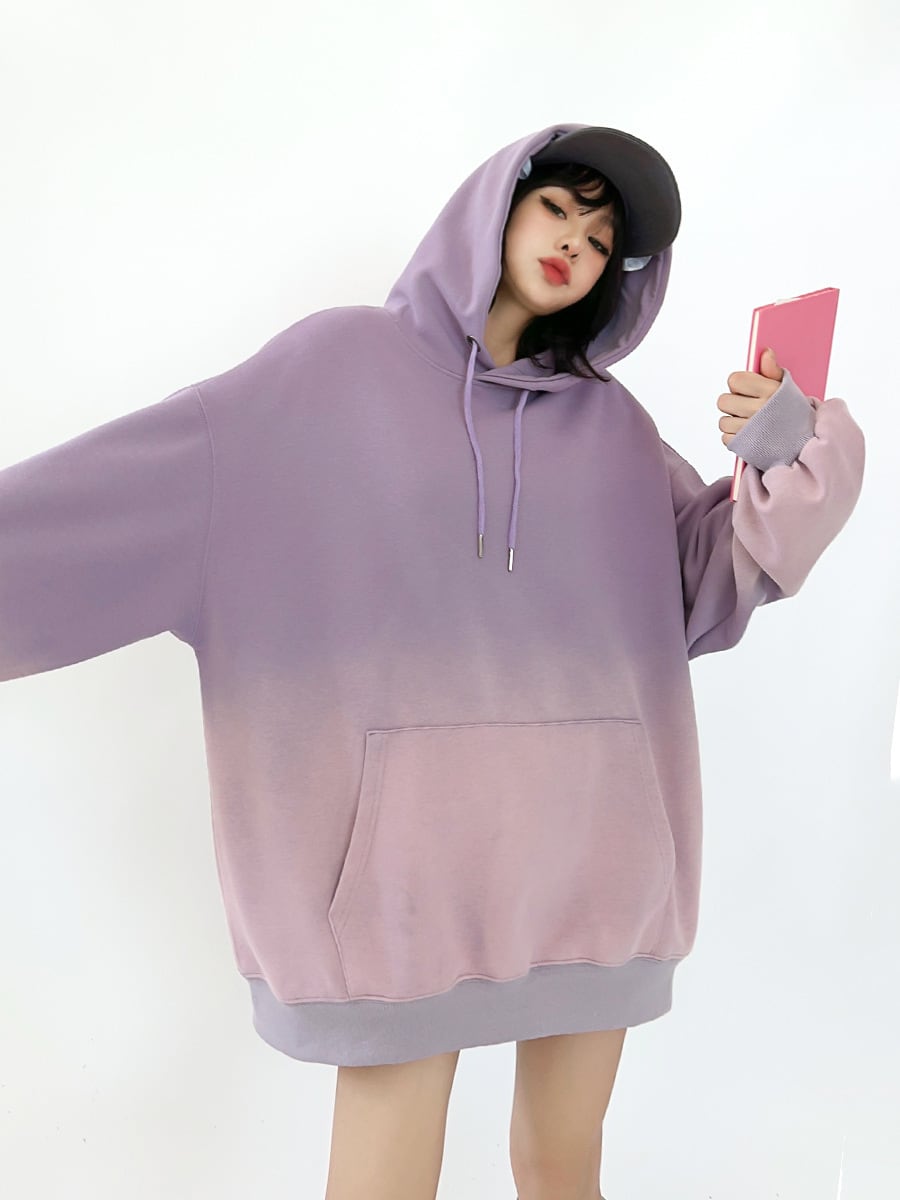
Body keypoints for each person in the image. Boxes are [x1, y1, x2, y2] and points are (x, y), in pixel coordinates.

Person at [0, 124, 865, 1200]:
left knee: (562, 1167)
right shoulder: (329, 371)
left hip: (596, 874)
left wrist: (787, 447)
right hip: (398, 901)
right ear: (493, 208)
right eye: (558, 208)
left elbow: (712, 583)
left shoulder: (615, 428)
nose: (576, 242)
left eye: (602, 238)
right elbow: (136, 491)